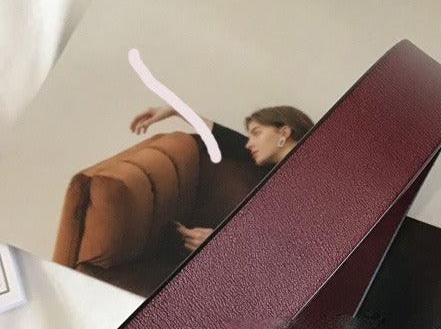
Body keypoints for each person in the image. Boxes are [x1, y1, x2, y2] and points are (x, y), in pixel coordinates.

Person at [129, 104, 314, 251]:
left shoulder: (312, 176)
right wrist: (174, 110)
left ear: (284, 133)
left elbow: (292, 242)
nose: (249, 144)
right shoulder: (272, 171)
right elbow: (224, 136)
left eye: (257, 133)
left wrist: (226, 244)